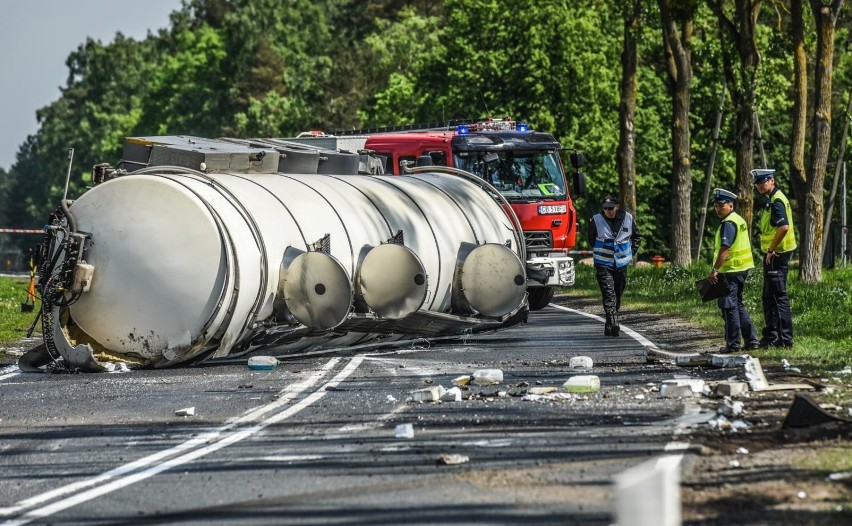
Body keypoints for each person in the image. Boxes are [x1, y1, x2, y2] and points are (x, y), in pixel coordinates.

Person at [705, 188, 760, 353]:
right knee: (738, 305)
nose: (717, 208)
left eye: (721, 205)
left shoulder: (729, 223)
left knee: (729, 307)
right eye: (715, 205)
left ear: (731, 205)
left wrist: (715, 269)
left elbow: (725, 249)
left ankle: (733, 344)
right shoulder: (738, 220)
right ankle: (751, 341)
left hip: (731, 270)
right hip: (740, 270)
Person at [752, 168, 797, 348]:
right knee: (769, 296)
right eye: (757, 184)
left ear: (772, 180)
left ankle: (784, 339)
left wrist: (771, 249)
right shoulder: (773, 199)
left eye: (762, 182)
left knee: (777, 297)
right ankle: (772, 336)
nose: (759, 186)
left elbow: (784, 227)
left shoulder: (777, 201)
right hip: (775, 254)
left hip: (777, 255)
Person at [588, 195, 641, 336]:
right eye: (605, 208)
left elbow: (637, 237)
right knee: (609, 293)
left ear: (616, 207)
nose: (607, 210)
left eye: (610, 208)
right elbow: (591, 240)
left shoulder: (628, 218)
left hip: (621, 264)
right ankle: (614, 322)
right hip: (603, 263)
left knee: (617, 293)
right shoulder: (595, 220)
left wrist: (630, 253)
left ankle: (609, 324)